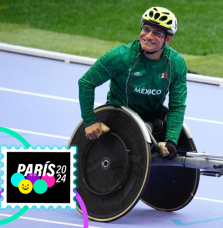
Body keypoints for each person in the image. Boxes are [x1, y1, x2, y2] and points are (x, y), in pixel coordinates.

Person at [78, 6, 187, 159]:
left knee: (164, 137)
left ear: (168, 39)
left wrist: (171, 141)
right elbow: (86, 82)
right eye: (146, 29)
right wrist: (89, 122)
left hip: (151, 120)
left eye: (156, 33)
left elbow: (177, 106)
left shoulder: (176, 64)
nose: (148, 36)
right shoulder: (121, 56)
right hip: (119, 118)